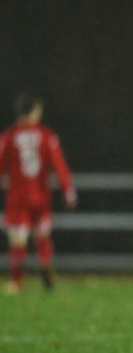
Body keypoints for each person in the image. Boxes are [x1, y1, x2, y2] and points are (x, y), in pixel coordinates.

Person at [0, 93, 76, 294]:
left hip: (17, 196)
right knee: (42, 235)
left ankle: (16, 282)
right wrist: (68, 190)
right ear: (33, 112)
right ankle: (45, 264)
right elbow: (59, 164)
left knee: (18, 239)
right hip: (41, 196)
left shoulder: (8, 137)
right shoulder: (47, 135)